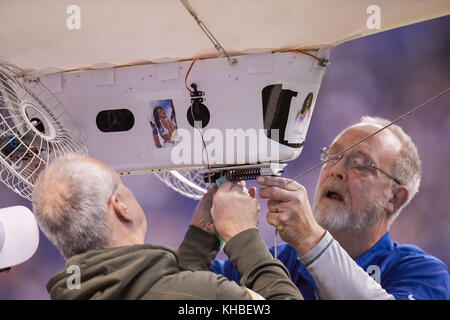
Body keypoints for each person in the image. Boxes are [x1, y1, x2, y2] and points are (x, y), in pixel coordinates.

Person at [204, 116, 449, 300]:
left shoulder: (424, 273)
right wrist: (202, 233)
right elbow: (180, 289)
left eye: (361, 164)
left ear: (394, 198)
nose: (336, 170)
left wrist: (308, 236)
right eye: (332, 157)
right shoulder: (277, 260)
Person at [31, 153, 302, 300]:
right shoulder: (209, 294)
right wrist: (243, 235)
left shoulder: (76, 291)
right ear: (119, 206)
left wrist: (201, 238)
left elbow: (153, 289)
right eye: (123, 187)